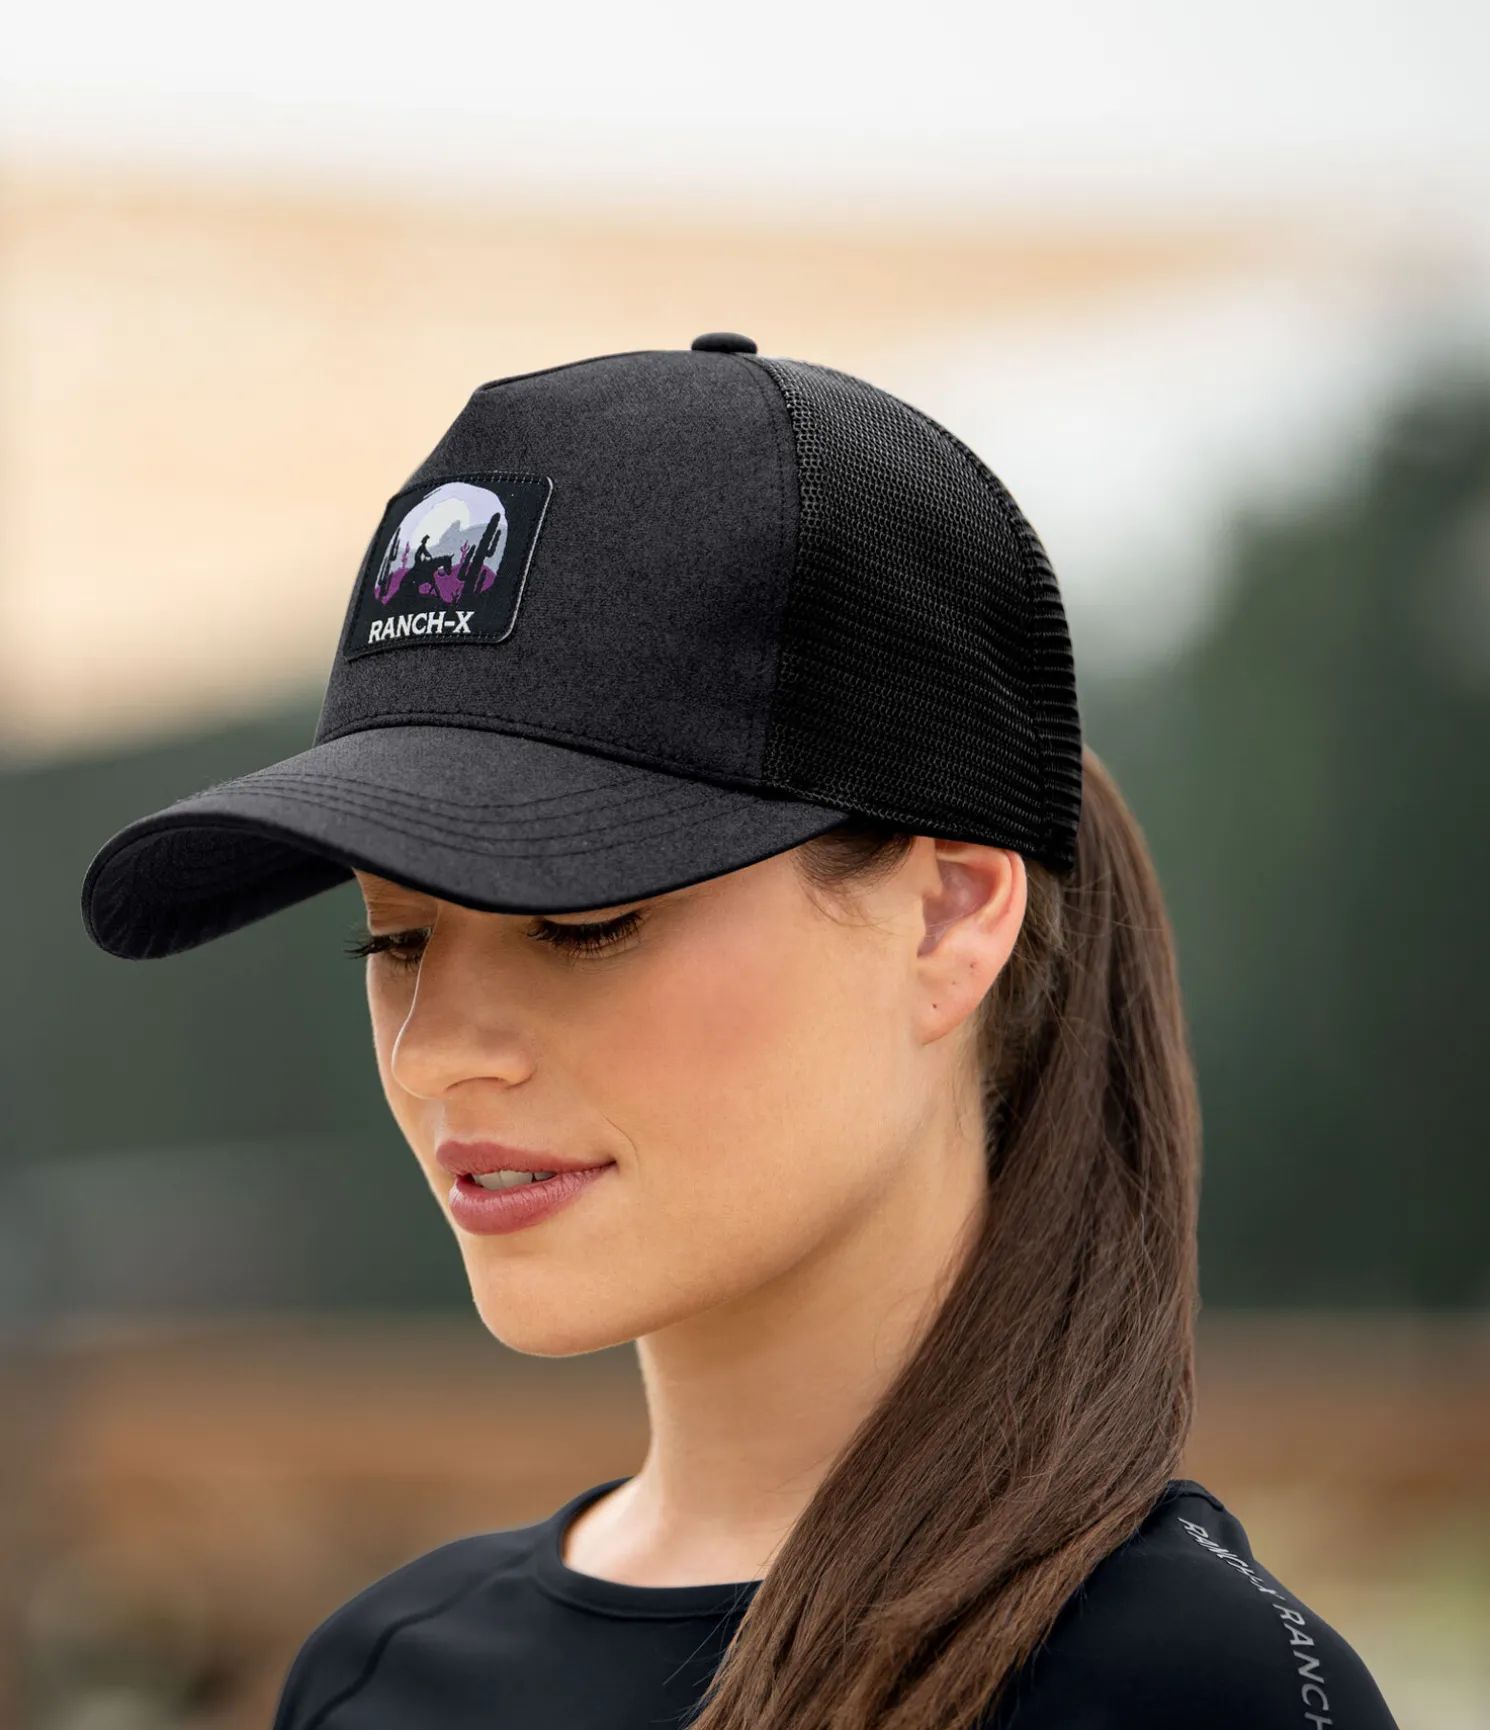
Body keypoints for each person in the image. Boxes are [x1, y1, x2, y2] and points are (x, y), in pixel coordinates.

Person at [81, 333, 1398, 1729]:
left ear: (949, 916)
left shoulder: (1186, 1691)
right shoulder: (379, 1680)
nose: (433, 1051)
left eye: (579, 921)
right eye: (393, 939)